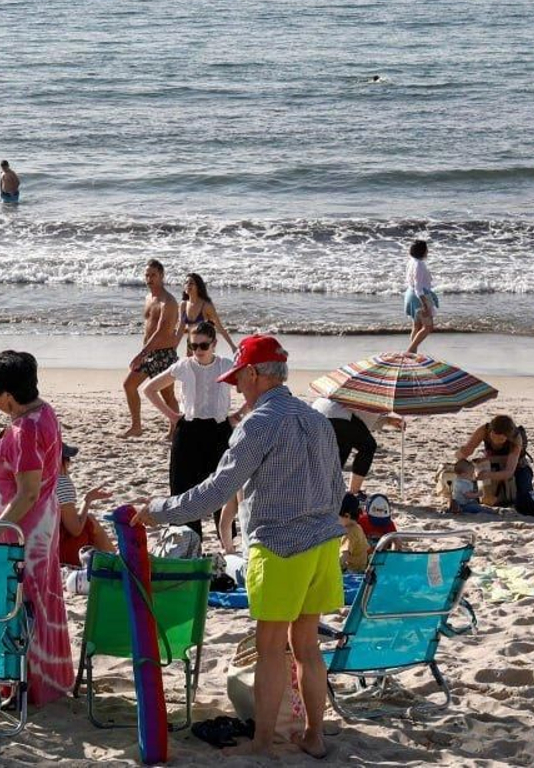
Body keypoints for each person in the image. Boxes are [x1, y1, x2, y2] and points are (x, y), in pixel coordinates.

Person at [131, 335, 343, 758]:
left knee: (270, 647)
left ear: (253, 374)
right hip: (322, 543)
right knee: (306, 645)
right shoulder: (316, 418)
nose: (235, 388)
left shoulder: (259, 423)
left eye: (238, 379)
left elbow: (215, 491)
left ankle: (263, 742)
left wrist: (159, 510)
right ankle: (314, 735)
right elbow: (337, 488)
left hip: (280, 543)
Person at [0, 350, 74, 707]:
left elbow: (28, 491)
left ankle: (23, 684)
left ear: (6, 394)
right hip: (37, 526)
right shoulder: (42, 411)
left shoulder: (27, 428)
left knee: (21, 602)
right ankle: (33, 680)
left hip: (24, 532)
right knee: (35, 599)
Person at [141, 321, 248, 551]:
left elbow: (252, 386)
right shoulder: (183, 366)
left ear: (214, 344)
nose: (198, 350)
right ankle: (189, 548)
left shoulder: (226, 366)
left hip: (219, 431)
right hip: (188, 431)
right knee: (183, 490)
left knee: (224, 489)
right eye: (193, 345)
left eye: (203, 345)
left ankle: (228, 548)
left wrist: (237, 415)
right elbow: (149, 389)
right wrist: (172, 416)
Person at [121, 259, 180, 438]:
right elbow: (149, 327)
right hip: (148, 352)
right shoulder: (148, 298)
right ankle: (136, 426)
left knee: (167, 394)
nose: (149, 279)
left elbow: (161, 332)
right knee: (129, 385)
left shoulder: (168, 301)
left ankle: (174, 430)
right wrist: (145, 352)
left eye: (153, 275)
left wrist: (141, 354)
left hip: (163, 354)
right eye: (147, 275)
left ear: (162, 276)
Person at [314, 396, 402, 497]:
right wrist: (387, 420)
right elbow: (366, 416)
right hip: (339, 416)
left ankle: (326, 490)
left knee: (343, 447)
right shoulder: (368, 390)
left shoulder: (345, 385)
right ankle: (353, 492)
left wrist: (387, 420)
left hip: (319, 411)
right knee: (368, 446)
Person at [455, 412, 534, 516]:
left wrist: (488, 475)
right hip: (490, 466)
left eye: (500, 439)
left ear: (508, 437)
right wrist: (460, 460)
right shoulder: (484, 430)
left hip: (518, 467)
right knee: (466, 492)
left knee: (525, 503)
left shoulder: (516, 438)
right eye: (493, 437)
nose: (495, 441)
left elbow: (509, 472)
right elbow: (467, 451)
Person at [56, 444, 115, 566]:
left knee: (87, 520)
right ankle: (117, 562)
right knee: (90, 521)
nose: (69, 463)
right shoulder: (61, 482)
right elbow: (75, 530)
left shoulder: (35, 480)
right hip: (60, 550)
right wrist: (87, 500)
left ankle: (114, 559)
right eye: (67, 459)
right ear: (60, 461)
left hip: (36, 544)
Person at [177, 273, 236, 352]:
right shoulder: (183, 305)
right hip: (191, 343)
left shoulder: (206, 306)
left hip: (205, 345)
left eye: (191, 283)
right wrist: (174, 347)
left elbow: (219, 326)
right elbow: (180, 328)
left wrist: (232, 346)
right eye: (186, 283)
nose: (188, 285)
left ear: (198, 287)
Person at [405, 239, 438, 354]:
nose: (428, 251)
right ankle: (410, 351)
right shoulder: (419, 265)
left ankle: (413, 352)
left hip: (410, 294)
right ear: (422, 251)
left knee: (417, 326)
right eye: (426, 249)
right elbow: (419, 288)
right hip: (419, 297)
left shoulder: (411, 261)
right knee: (428, 326)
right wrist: (425, 304)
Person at [338, 494, 371, 573]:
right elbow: (367, 549)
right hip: (361, 568)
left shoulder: (349, 533)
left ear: (347, 515)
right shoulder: (358, 527)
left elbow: (344, 556)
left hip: (352, 571)